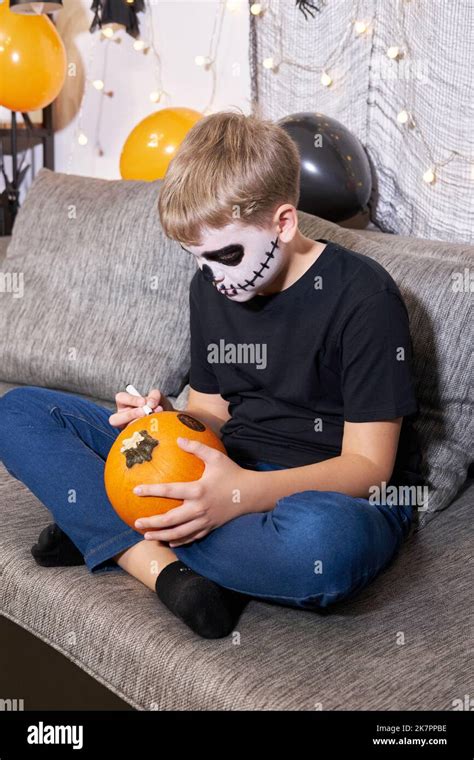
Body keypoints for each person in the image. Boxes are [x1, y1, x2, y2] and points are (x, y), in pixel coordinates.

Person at [0, 111, 423, 639]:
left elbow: (369, 467)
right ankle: (158, 565)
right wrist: (165, 423)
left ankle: (108, 528)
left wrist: (242, 493)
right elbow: (211, 412)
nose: (214, 279)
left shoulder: (365, 297)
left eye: (225, 256)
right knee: (17, 412)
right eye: (198, 260)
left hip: (323, 490)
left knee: (325, 547)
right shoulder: (214, 283)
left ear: (283, 223)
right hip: (223, 465)